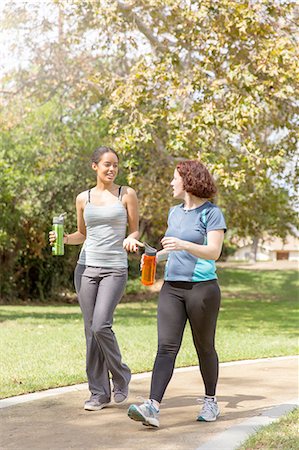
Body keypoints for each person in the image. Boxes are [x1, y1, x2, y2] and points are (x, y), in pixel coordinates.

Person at [128, 159, 226, 427]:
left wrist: (183, 243)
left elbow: (214, 252)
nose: (171, 183)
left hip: (202, 289)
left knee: (204, 347)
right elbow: (173, 248)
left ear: (188, 181)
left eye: (174, 178)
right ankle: (152, 407)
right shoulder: (174, 212)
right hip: (172, 287)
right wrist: (155, 258)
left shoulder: (212, 213)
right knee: (166, 347)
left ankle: (210, 402)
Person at [49, 146, 142, 411]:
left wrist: (129, 238)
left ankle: (121, 375)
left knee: (101, 325)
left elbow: (135, 230)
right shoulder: (83, 198)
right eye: (107, 165)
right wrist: (65, 239)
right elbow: (83, 234)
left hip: (114, 268)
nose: (112, 169)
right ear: (95, 167)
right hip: (86, 268)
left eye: (115, 165)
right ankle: (99, 393)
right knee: (91, 331)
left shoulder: (127, 194)